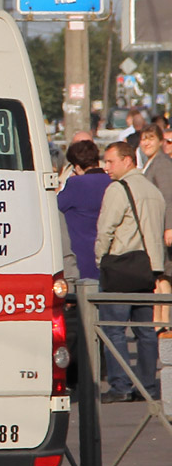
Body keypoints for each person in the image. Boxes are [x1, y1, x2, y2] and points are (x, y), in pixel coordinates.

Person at [95, 141, 165, 403]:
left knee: (113, 329)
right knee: (145, 331)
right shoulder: (152, 190)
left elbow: (105, 230)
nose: (106, 167)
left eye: (111, 161)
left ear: (127, 160)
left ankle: (121, 385)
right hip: (148, 269)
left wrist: (100, 259)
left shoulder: (118, 189)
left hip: (121, 268)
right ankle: (146, 384)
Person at [59, 140, 112, 281]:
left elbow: (55, 208)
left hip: (83, 258)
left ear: (77, 167)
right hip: (110, 258)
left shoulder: (75, 184)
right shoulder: (112, 182)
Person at [139, 124, 172, 322]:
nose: (146, 143)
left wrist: (169, 226)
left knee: (165, 276)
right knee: (159, 277)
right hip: (155, 228)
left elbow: (169, 196)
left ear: (160, 141)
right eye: (143, 139)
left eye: (150, 138)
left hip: (162, 229)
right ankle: (159, 322)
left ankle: (164, 322)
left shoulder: (162, 163)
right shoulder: (151, 162)